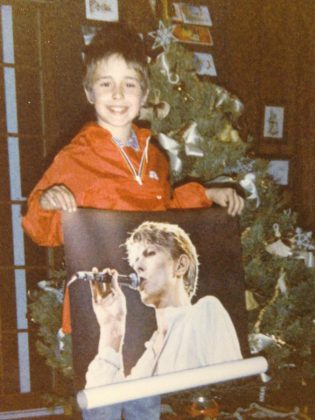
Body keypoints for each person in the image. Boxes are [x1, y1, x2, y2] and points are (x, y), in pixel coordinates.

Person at [22, 23, 244, 420]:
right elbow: (43, 231)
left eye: (129, 84)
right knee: (105, 407)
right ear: (89, 92)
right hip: (103, 312)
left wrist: (204, 194)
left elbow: (165, 214)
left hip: (149, 313)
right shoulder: (75, 157)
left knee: (145, 405)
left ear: (144, 93)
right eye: (106, 84)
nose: (118, 95)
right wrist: (49, 203)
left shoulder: (153, 156)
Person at [85, 221, 242, 388]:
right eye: (135, 261)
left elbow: (231, 392)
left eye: (150, 253)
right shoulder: (145, 361)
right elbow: (103, 408)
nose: (137, 266)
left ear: (180, 265)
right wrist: (112, 328)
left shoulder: (205, 312)